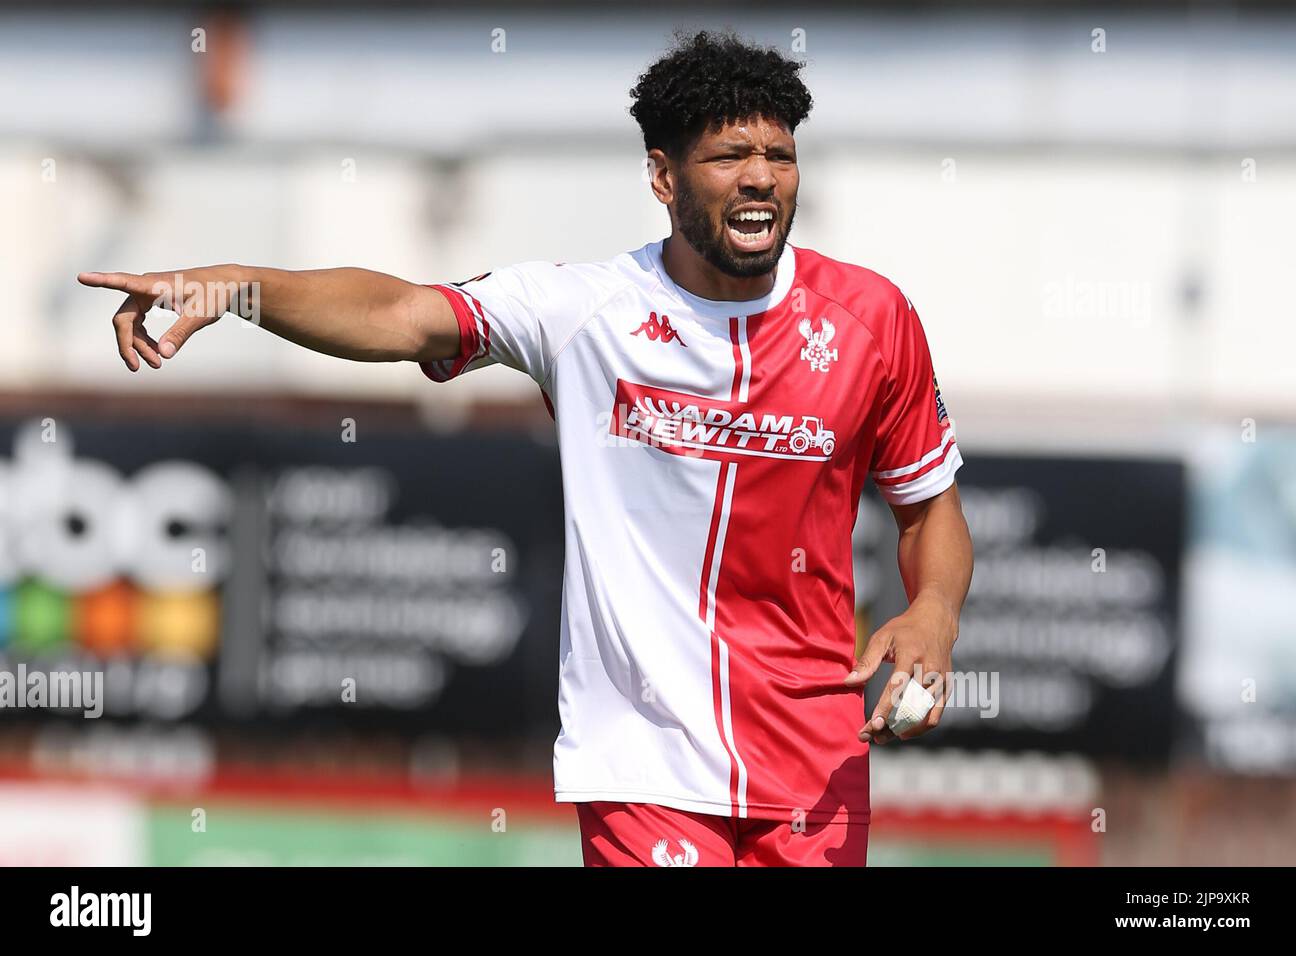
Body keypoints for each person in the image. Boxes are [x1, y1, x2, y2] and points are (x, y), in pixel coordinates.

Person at [78, 29, 973, 867]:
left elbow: (930, 511)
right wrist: (231, 286)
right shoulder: (584, 311)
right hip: (642, 763)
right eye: (729, 157)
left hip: (817, 764)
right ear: (663, 176)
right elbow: (400, 313)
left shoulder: (872, 320)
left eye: (778, 156)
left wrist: (933, 610)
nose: (760, 179)